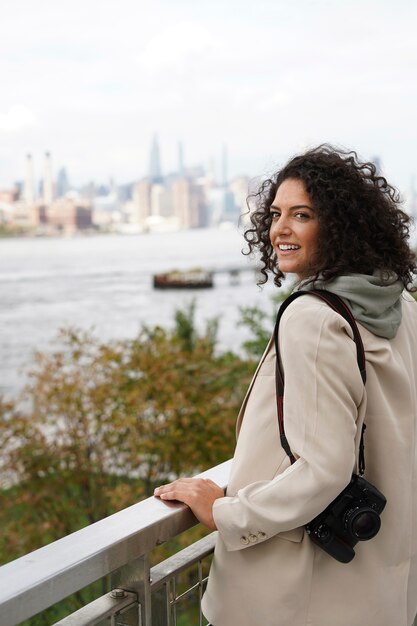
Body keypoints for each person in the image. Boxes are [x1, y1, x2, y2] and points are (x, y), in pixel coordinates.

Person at [154, 145, 417, 626]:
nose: (280, 229)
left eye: (302, 214)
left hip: (300, 595)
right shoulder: (400, 307)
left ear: (341, 225)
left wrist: (226, 513)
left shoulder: (313, 317)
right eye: (275, 214)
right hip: (380, 582)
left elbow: (323, 468)